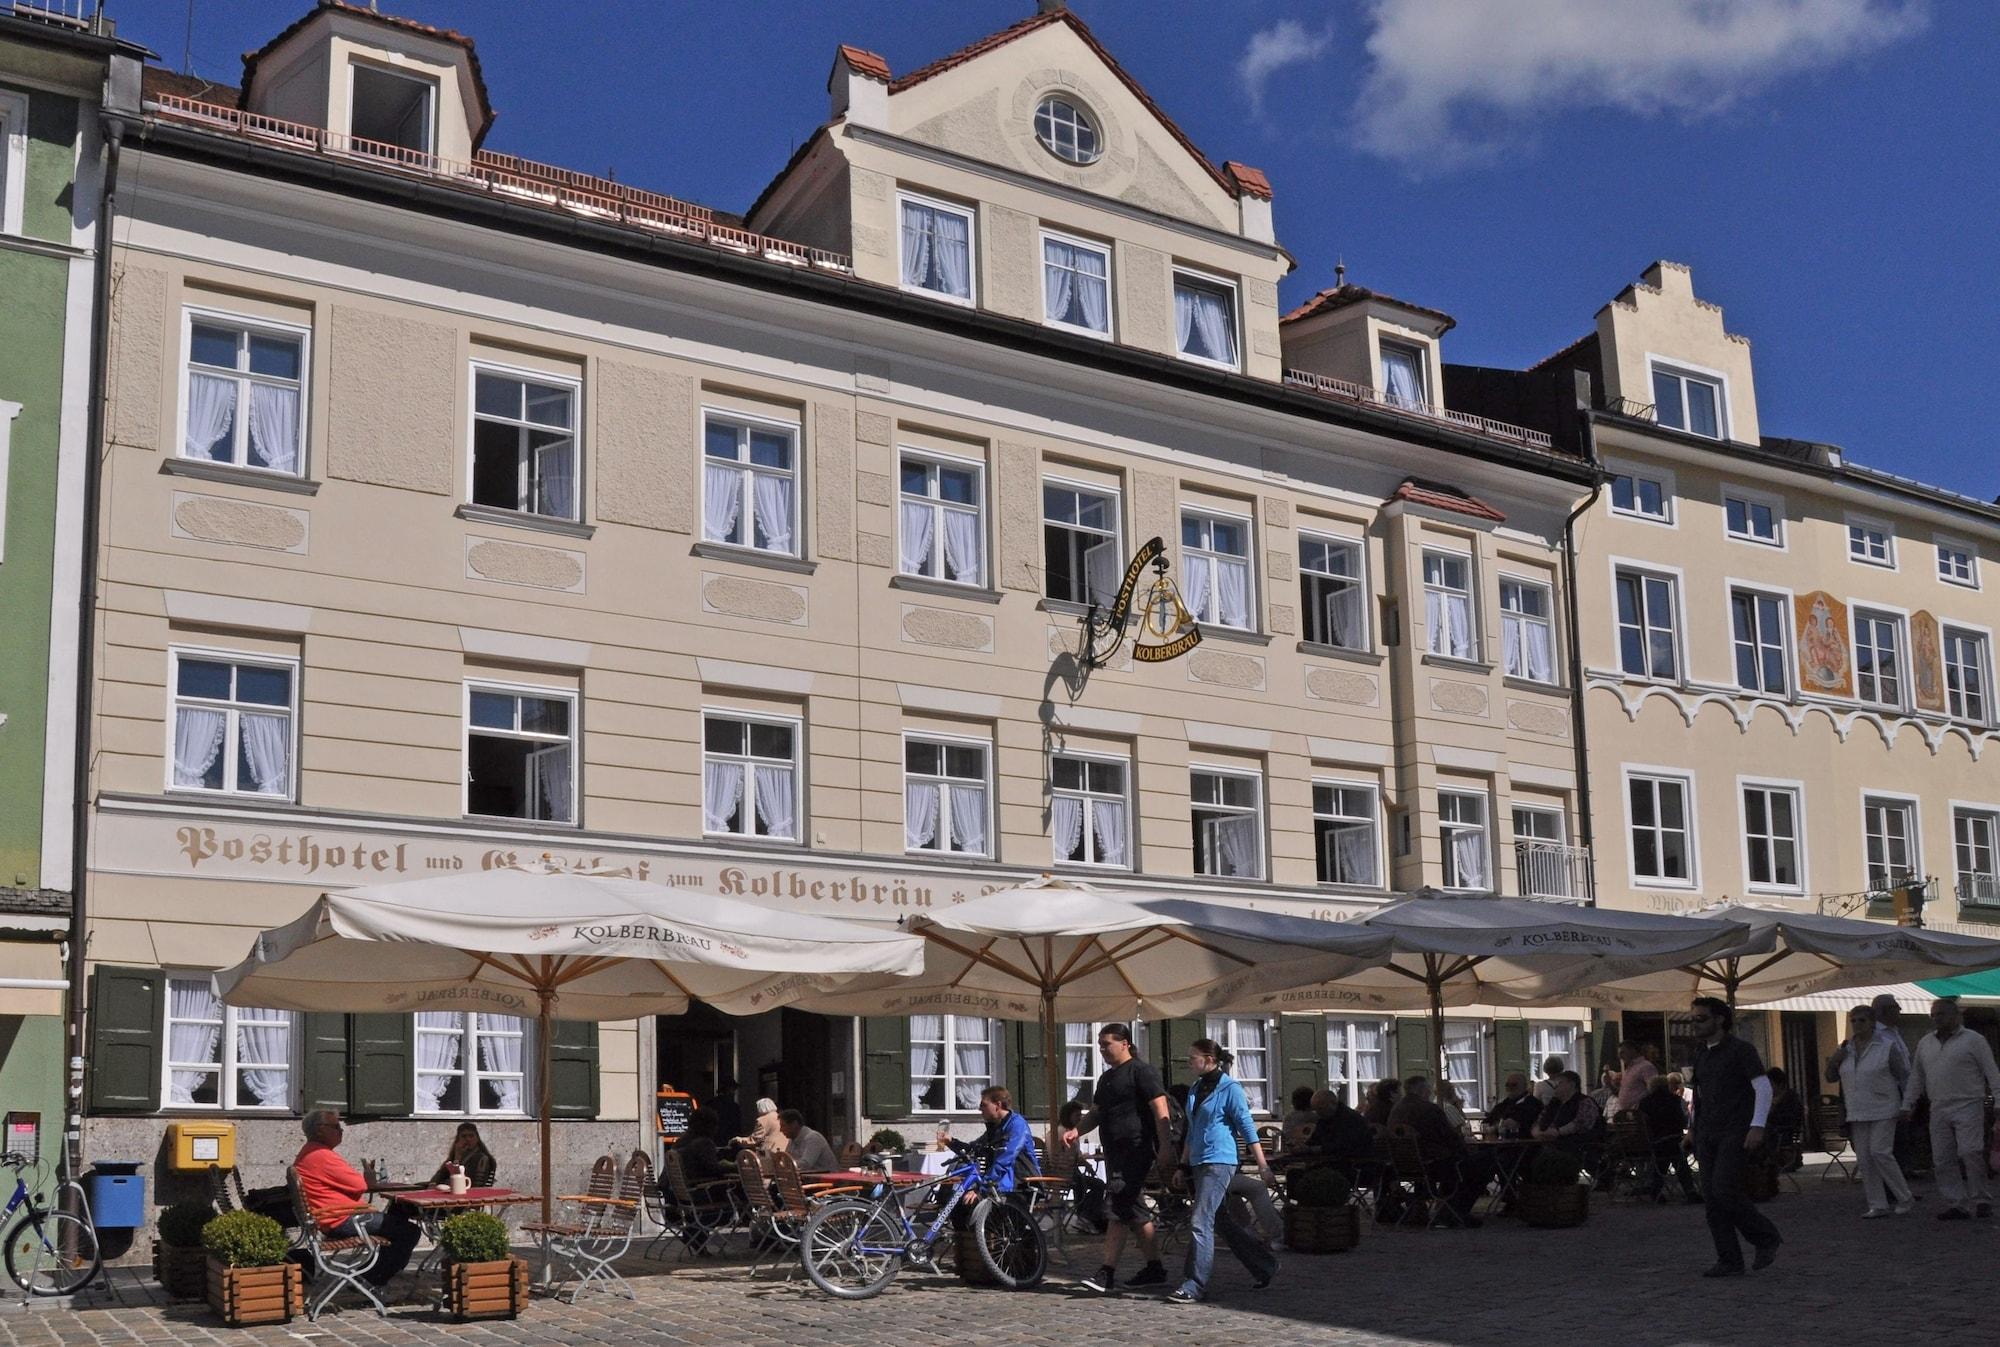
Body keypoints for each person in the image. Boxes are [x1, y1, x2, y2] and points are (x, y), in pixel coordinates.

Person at [1064, 1023, 1174, 1295]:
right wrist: (1077, 1130)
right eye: (1100, 1045)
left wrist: (1165, 1146)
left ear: (1125, 1043)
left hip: (1136, 1150)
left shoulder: (1141, 1071)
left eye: (1107, 1044)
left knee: (1117, 1207)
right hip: (1115, 1151)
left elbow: (1160, 1108)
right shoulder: (1106, 1079)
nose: (1102, 1049)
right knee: (1135, 1210)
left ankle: (1107, 1273)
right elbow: (1097, 1112)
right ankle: (1155, 1269)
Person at [1169, 1040, 1277, 1305]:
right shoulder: (1196, 1088)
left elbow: (1246, 1126)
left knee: (1200, 1219)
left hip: (1220, 1160)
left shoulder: (1230, 1089)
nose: (1189, 1062)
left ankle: (1195, 1284)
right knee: (1219, 1220)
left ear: (1208, 1059)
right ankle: (1264, 1264)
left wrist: (1262, 1165)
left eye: (1192, 1058)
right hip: (1198, 1160)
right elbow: (1191, 1130)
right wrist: (1182, 1164)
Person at [1687, 996, 1781, 1277]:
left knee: (1724, 1189)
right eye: (1693, 1019)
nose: (1695, 1024)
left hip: (1736, 1130)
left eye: (1701, 1018)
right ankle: (1729, 1259)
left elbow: (1763, 1088)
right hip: (1707, 1132)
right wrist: (1692, 1128)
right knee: (1712, 1199)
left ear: (1720, 1019)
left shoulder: (1741, 1050)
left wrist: (1758, 1125)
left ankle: (1765, 1237)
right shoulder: (1701, 1053)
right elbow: (1698, 1096)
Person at [293, 1110, 420, 1288]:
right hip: (341, 1219)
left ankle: (376, 1273)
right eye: (336, 1126)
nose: (341, 1130)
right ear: (320, 1129)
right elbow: (360, 1185)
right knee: (410, 1232)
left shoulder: (310, 1153)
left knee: (398, 1214)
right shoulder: (321, 1155)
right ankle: (370, 1280)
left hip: (331, 1218)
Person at [1901, 996, 2000, 1220]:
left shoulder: (1974, 1040)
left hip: (1969, 1103)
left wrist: (1998, 1100)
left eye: (1941, 1014)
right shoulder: (1926, 1042)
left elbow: (1991, 1071)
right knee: (1942, 1158)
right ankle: (1956, 1203)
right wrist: (1908, 1103)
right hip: (1938, 1104)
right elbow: (1917, 1076)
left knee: (1970, 1151)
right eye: (1934, 1015)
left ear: (1956, 1016)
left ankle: (1981, 1199)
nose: (1937, 1019)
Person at [1836, 1003, 1913, 1217]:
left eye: (1862, 1020)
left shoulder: (1886, 1046)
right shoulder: (1846, 1049)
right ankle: (1877, 1204)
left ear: (1872, 1023)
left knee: (1880, 1151)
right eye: (1853, 1020)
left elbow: (1903, 1076)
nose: (1857, 1024)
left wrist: (1908, 1103)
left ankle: (1904, 1197)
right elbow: (1831, 1076)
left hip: (1884, 1106)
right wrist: (1835, 1059)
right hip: (1857, 1108)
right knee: (1864, 1158)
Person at [1388, 1076, 1492, 1226]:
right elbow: (1451, 1137)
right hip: (1433, 1164)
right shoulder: (1429, 1109)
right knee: (1482, 1163)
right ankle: (1455, 1211)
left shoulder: (1396, 1110)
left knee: (1464, 1163)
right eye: (1428, 1090)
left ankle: (1445, 1208)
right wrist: (1467, 1150)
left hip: (1405, 1165)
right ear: (1423, 1090)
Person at [962, 1085, 1039, 1198]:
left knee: (970, 1202)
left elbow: (1006, 1158)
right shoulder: (997, 1127)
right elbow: (974, 1149)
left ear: (998, 1105)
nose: (980, 1109)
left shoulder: (1017, 1125)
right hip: (999, 1186)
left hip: (1021, 1186)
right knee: (959, 1198)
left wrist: (983, 1186)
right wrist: (951, 1142)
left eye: (983, 1105)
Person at [1637, 1074, 1701, 1203]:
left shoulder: (1644, 1103)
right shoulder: (1675, 1100)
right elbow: (1683, 1122)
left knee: (1665, 1154)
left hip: (1652, 1142)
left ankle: (1656, 1190)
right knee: (1676, 1153)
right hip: (1672, 1139)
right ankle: (1690, 1191)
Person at [1531, 1071, 1601, 1153]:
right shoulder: (1554, 1103)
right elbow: (1540, 1119)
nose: (1555, 1086)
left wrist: (1557, 1132)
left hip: (1577, 1148)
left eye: (1559, 1083)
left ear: (1572, 1085)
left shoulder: (1585, 1102)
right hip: (1551, 1147)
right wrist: (1537, 1131)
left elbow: (1581, 1123)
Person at [1763, 1068, 1807, 1172]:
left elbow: (1789, 1119)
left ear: (1780, 1084)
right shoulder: (1769, 1099)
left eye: (1771, 1084)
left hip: (1782, 1132)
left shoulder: (1791, 1099)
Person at [429, 1121, 497, 1189]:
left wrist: (457, 1159)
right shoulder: (456, 1155)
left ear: (477, 1139)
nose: (468, 1139)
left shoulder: (482, 1158)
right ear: (458, 1139)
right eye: (464, 1136)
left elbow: (474, 1184)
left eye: (471, 1136)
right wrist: (457, 1155)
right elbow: (439, 1176)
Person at [777, 1108, 837, 1174]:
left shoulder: (813, 1138)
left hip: (826, 1177)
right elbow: (787, 1159)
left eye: (783, 1126)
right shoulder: (792, 1140)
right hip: (808, 1177)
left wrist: (785, 1165)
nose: (781, 1130)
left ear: (794, 1124)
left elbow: (805, 1165)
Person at [1485, 1073, 1542, 1137]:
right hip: (1498, 1140)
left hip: (1522, 1140)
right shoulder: (1502, 1105)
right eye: (1507, 1085)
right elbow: (1486, 1122)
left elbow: (1522, 1124)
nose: (1510, 1088)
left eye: (1514, 1085)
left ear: (1524, 1086)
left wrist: (1497, 1126)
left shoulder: (1533, 1104)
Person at [1614, 1042, 1658, 1117]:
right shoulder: (1629, 1069)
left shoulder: (1646, 1067)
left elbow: (1654, 1090)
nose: (1619, 1056)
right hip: (1628, 1114)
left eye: (1622, 1052)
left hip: (1640, 1113)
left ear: (1633, 1051)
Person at [706, 1077, 744, 1145]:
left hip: (713, 1139)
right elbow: (736, 1126)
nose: (734, 1092)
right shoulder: (734, 1107)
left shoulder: (710, 1104)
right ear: (728, 1089)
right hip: (729, 1140)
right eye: (733, 1089)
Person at [1281, 1085, 1319, 1151]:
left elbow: (1285, 1138)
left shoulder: (1288, 1117)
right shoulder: (1316, 1117)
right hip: (1310, 1151)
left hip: (1291, 1150)